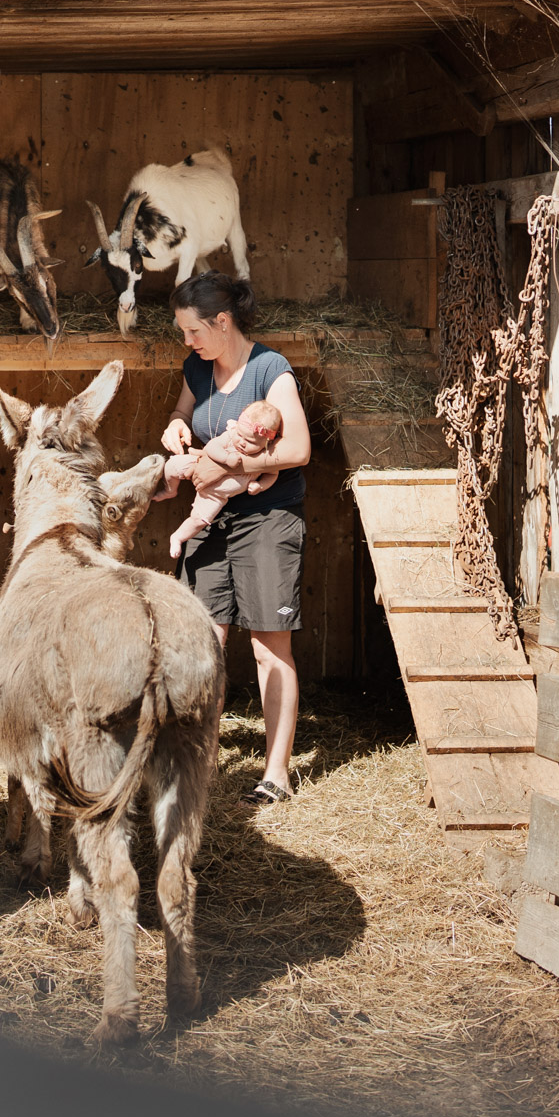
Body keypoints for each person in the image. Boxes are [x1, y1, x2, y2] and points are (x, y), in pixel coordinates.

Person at [158, 271, 312, 807]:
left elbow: (298, 450)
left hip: (266, 517)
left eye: (191, 331)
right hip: (212, 518)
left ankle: (275, 773)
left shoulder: (271, 371)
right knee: (203, 644)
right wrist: (176, 429)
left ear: (222, 322)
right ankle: (203, 758)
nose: (187, 342)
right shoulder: (197, 368)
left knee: (269, 646)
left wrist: (237, 465)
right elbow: (182, 414)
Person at [162, 400, 283, 559]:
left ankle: (177, 537)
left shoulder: (265, 456)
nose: (242, 442)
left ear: (267, 442)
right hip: (199, 465)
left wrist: (260, 485)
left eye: (250, 442)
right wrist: (226, 458)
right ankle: (170, 490)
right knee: (172, 465)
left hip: (215, 496)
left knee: (200, 520)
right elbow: (212, 447)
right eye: (240, 435)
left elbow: (273, 474)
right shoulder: (232, 434)